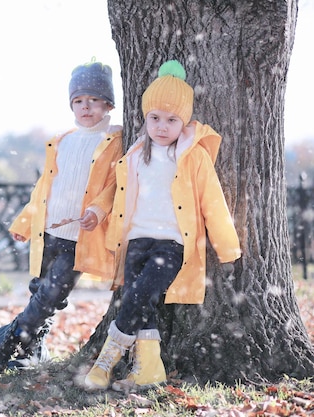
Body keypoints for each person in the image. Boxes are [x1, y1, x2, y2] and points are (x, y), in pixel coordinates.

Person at [84, 60, 242, 391]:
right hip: (137, 240)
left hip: (171, 243)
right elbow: (117, 192)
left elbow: (212, 201)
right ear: (145, 119)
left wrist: (227, 246)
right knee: (141, 302)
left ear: (183, 122)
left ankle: (106, 359)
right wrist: (97, 211)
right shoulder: (136, 153)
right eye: (155, 118)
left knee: (140, 293)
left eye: (172, 120)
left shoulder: (192, 156)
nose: (162, 126)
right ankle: (149, 369)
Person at [0, 59, 124, 371]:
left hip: (81, 235)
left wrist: (98, 210)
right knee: (41, 290)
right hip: (49, 229)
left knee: (53, 293)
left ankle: (10, 335)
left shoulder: (114, 141)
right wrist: (25, 221)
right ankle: (33, 351)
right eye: (78, 101)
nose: (85, 107)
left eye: (93, 100)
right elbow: (44, 187)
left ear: (109, 104)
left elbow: (117, 184)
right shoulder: (62, 141)